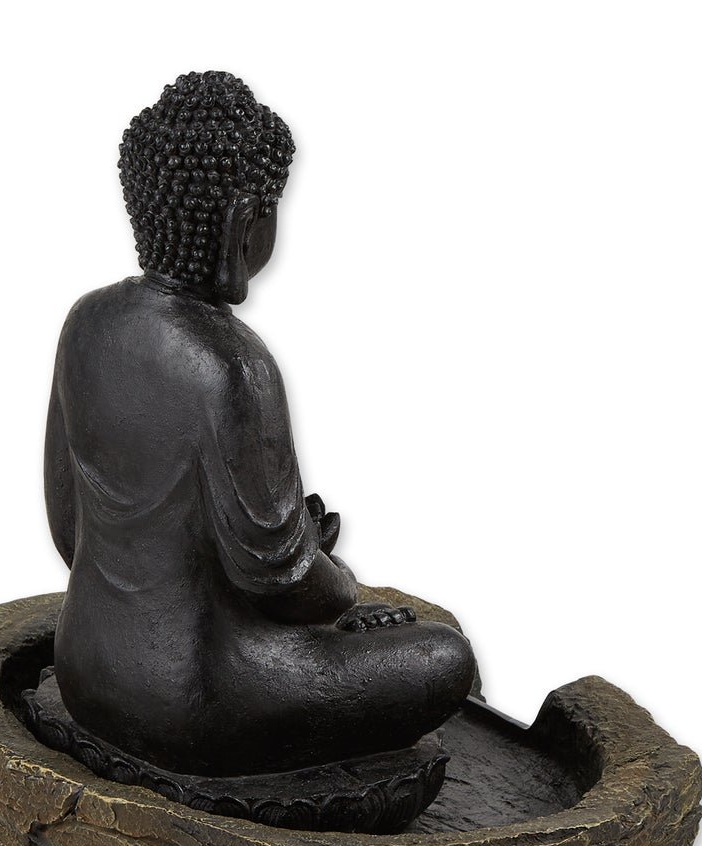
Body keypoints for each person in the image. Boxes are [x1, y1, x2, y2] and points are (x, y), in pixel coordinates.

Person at [45, 72, 475, 778]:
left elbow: (70, 528)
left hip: (85, 667)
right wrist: (340, 587)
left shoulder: (87, 324)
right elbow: (280, 580)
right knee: (446, 657)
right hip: (198, 699)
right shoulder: (230, 364)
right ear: (245, 222)